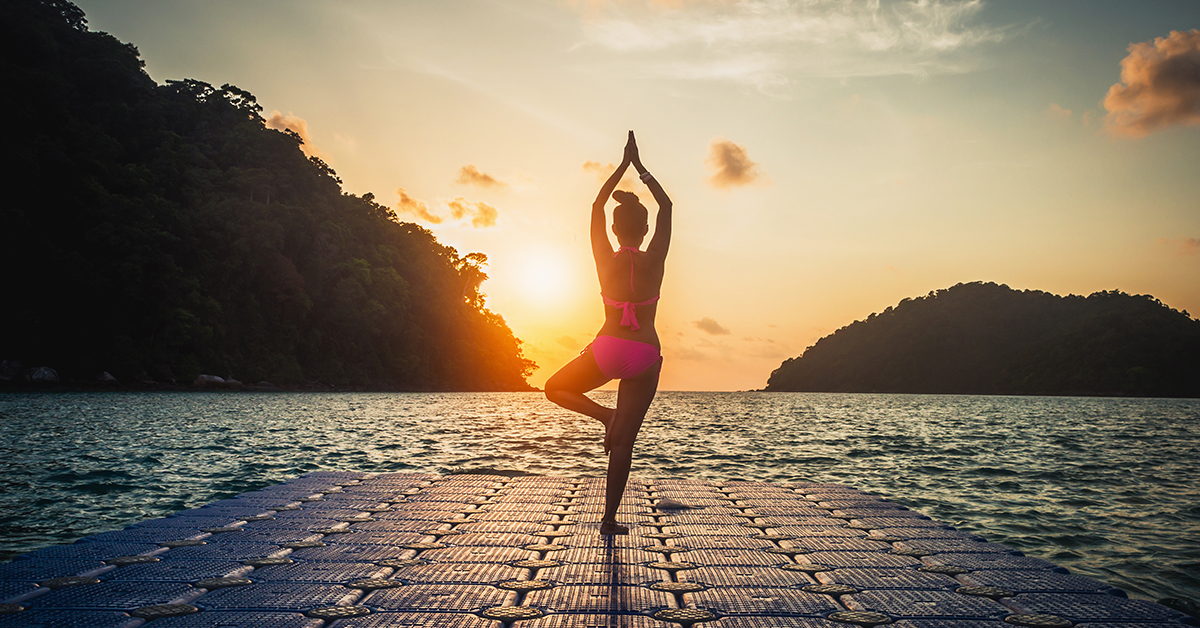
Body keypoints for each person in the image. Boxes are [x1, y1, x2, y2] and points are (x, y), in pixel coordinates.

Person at [544, 130, 672, 535]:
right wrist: (642, 169)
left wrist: (621, 165)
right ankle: (609, 519)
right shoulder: (655, 258)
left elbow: (598, 203)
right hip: (645, 356)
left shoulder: (604, 257)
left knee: (553, 387)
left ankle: (604, 415)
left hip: (606, 347)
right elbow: (667, 204)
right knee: (624, 442)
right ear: (647, 228)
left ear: (615, 231)